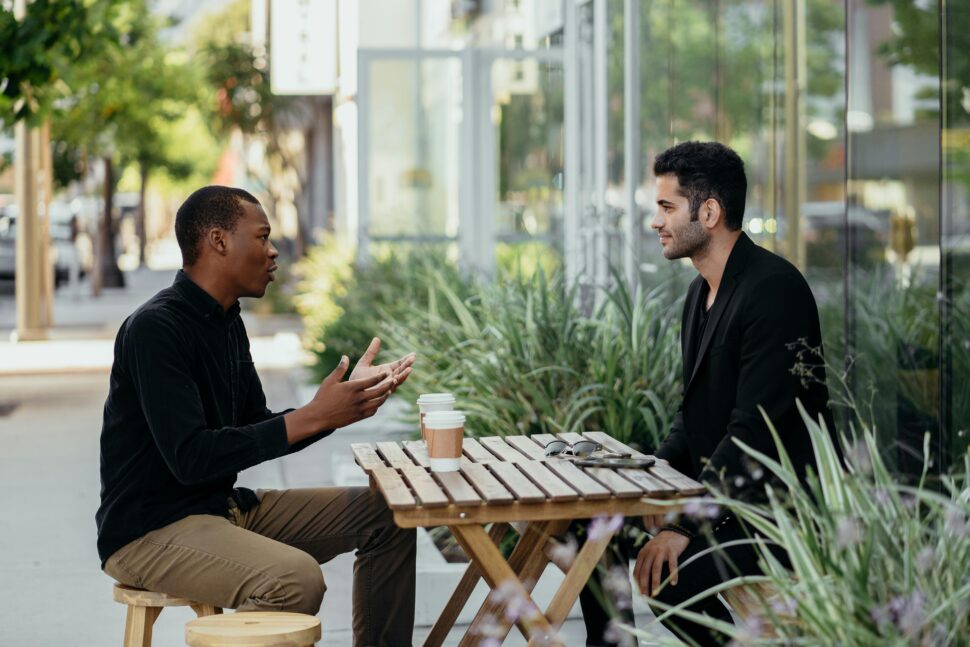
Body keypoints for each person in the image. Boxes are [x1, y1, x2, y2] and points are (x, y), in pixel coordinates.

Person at [96, 186, 417, 646]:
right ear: (218, 241)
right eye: (262, 237)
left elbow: (255, 423)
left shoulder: (228, 321)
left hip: (220, 510)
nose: (272, 253)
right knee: (295, 579)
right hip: (148, 530)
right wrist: (314, 416)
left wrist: (334, 410)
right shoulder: (155, 329)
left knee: (389, 513)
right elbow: (191, 457)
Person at [579, 141, 838, 646]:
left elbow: (754, 434)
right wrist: (643, 484)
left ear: (710, 211)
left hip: (773, 512)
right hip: (723, 497)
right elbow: (692, 419)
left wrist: (686, 525)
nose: (657, 221)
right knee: (594, 527)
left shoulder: (773, 290)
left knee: (673, 578)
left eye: (667, 207)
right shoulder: (700, 292)